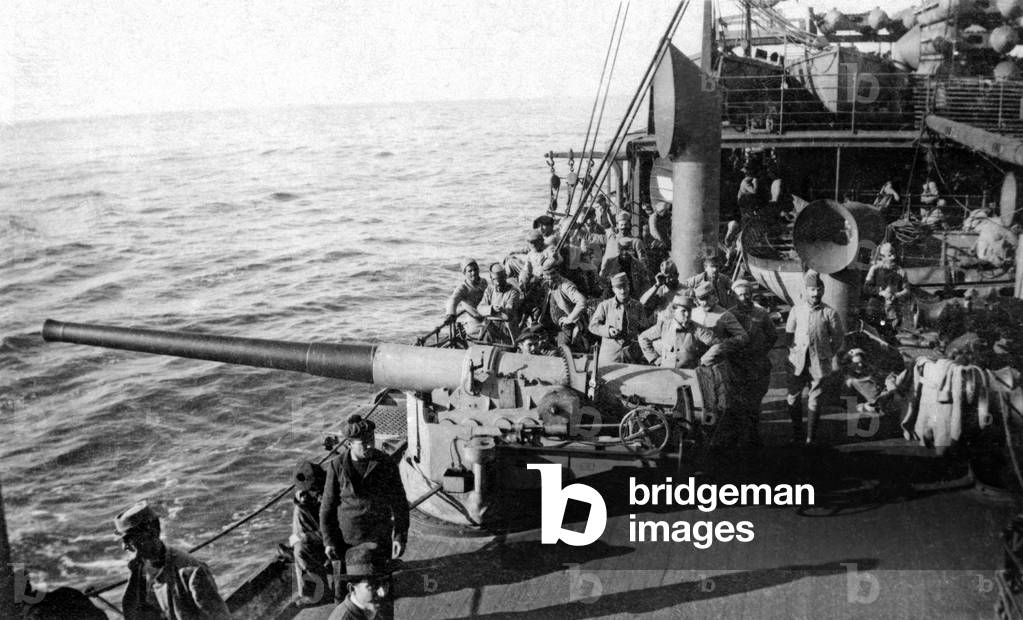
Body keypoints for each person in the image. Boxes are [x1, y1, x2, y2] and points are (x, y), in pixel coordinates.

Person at [320, 415, 409, 572]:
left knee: (381, 582)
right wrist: (328, 542)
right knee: (352, 581)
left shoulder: (386, 464)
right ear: (349, 444)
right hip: (348, 538)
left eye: (372, 440)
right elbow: (327, 507)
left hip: (379, 536)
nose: (370, 446)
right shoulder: (337, 466)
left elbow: (400, 503)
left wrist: (400, 537)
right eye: (364, 443)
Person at [115, 501, 231, 620]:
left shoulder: (192, 573)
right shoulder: (138, 570)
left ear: (151, 532)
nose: (124, 547)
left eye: (128, 539)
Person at [784, 270, 845, 445]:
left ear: (823, 291)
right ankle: (797, 433)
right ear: (806, 291)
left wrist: (828, 353)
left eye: (819, 290)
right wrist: (793, 353)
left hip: (818, 363)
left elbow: (838, 337)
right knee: (793, 397)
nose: (815, 293)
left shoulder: (829, 313)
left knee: (815, 398)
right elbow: (788, 335)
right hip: (797, 363)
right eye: (812, 290)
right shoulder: (797, 310)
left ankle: (811, 438)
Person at [727, 279, 777, 448]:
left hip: (756, 365)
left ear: (752, 295)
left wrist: (761, 351)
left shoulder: (761, 313)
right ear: (735, 296)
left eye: (747, 294)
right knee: (737, 402)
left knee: (754, 402)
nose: (744, 298)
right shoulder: (729, 314)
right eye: (740, 295)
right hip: (737, 365)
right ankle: (737, 437)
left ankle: (754, 436)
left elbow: (772, 336)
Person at [638, 293, 717, 368]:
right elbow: (643, 337)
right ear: (674, 311)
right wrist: (655, 359)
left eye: (689, 311)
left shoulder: (698, 329)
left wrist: (703, 362)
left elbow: (718, 345)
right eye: (683, 311)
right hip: (666, 373)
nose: (687, 314)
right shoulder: (664, 326)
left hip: (689, 374)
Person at [291, 460, 329, 606]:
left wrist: (306, 537)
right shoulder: (311, 498)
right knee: (300, 510)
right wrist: (301, 501)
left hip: (337, 538)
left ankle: (318, 594)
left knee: (300, 549)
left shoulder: (333, 492)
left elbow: (340, 528)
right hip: (322, 535)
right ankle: (310, 592)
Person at [588, 272, 648, 366]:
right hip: (610, 356)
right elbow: (593, 326)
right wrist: (608, 330)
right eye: (619, 288)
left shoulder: (638, 306)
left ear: (629, 287)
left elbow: (645, 328)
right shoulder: (605, 305)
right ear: (613, 289)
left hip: (632, 356)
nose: (623, 291)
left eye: (625, 287)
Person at [327, 542, 392, 620]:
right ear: (352, 589)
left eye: (385, 583)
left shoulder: (370, 607)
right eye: (374, 586)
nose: (383, 592)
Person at [539, 256, 588, 349]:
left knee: (563, 348)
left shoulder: (565, 286)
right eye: (547, 275)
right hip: (551, 324)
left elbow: (582, 301)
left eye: (553, 273)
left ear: (558, 272)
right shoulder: (548, 284)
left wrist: (569, 319)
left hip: (567, 327)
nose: (550, 277)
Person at [863, 242, 911, 328]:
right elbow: (866, 288)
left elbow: (907, 290)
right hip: (875, 308)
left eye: (893, 254)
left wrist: (896, 295)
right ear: (882, 257)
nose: (893, 257)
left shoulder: (900, 271)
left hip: (892, 311)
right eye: (889, 255)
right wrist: (881, 292)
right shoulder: (875, 269)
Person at [601, 210, 647, 292]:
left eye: (626, 224)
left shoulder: (636, 241)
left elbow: (643, 262)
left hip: (630, 277)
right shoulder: (612, 239)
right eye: (621, 225)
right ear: (617, 226)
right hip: (612, 278)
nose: (623, 227)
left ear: (630, 225)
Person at [444, 259, 488, 339]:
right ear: (464, 273)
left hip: (487, 318)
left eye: (475, 269)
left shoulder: (483, 282)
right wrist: (450, 314)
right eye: (470, 271)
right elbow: (453, 300)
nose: (473, 273)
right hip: (475, 323)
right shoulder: (463, 288)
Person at [480, 262, 523, 342]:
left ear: (505, 277)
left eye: (501, 279)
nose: (498, 283)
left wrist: (501, 310)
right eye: (495, 280)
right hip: (490, 327)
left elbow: (508, 314)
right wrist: (492, 309)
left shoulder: (513, 292)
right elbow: (480, 308)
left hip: (508, 330)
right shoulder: (489, 290)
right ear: (491, 278)